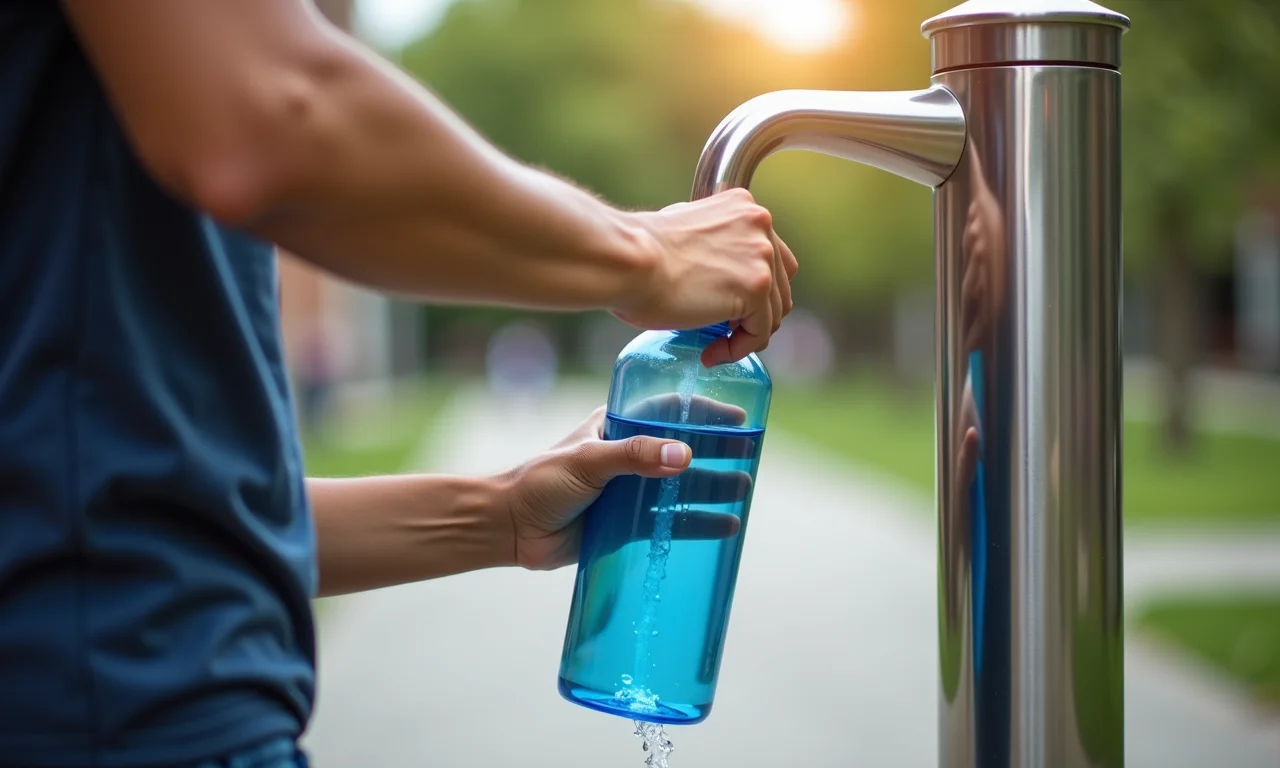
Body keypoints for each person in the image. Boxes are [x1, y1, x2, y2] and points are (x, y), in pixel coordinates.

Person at [0, 1, 798, 767]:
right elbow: (274, 112)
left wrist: (504, 514)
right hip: (124, 724)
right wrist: (644, 252)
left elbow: (138, 510)